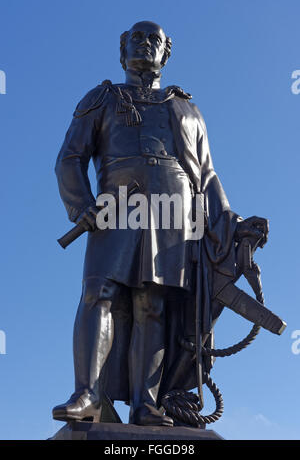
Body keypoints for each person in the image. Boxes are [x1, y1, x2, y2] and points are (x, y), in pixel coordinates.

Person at [53, 21, 266, 426]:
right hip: (116, 208)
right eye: (137, 37)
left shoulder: (186, 107)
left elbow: (206, 174)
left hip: (174, 211)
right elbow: (69, 157)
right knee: (98, 291)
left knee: (152, 303)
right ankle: (88, 395)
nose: (145, 44)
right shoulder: (101, 98)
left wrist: (232, 223)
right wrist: (79, 203)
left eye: (155, 39)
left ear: (166, 53)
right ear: (122, 51)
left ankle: (145, 403)